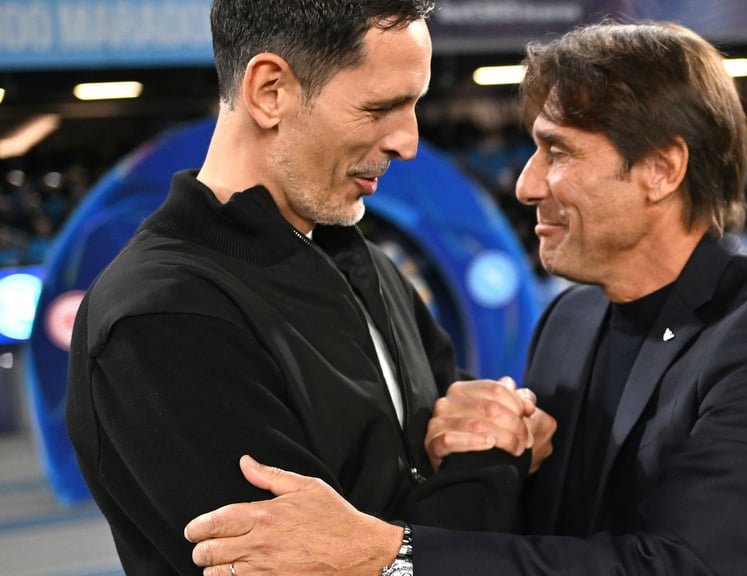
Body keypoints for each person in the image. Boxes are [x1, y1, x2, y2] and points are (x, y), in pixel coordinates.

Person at [184, 20, 747, 576]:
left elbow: (680, 565)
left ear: (662, 169)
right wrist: (491, 453)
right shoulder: (571, 318)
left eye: (558, 152)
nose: (527, 185)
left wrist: (389, 552)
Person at [64, 1, 555, 574]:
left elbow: (438, 456)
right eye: (382, 107)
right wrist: (495, 460)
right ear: (270, 91)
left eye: (415, 105)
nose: (409, 142)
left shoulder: (367, 266)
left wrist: (492, 424)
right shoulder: (162, 317)